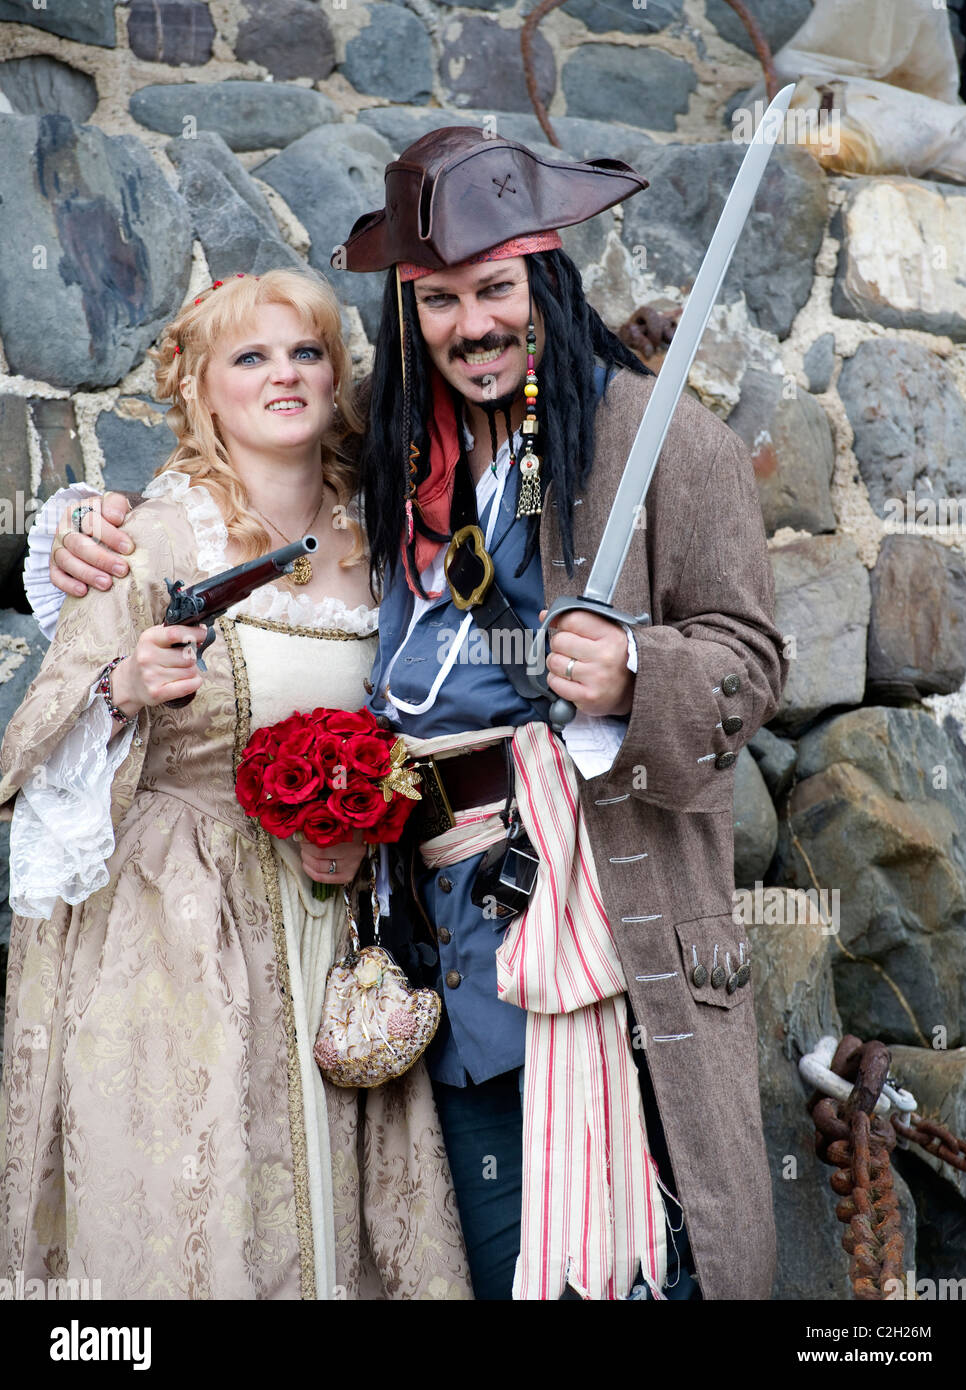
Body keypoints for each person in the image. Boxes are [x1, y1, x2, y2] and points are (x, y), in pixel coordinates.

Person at [34, 129, 788, 1301]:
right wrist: (91, 518)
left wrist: (642, 671)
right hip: (437, 925)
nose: (471, 325)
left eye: (493, 291)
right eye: (437, 301)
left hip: (601, 908)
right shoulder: (394, 460)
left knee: (646, 1265)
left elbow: (750, 661)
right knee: (496, 1261)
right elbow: (243, 466)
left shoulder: (665, 442)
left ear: (542, 285)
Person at [0, 267, 471, 1300]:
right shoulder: (146, 540)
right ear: (201, 388)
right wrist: (122, 689)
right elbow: (34, 753)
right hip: (180, 931)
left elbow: (420, 729)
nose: (284, 376)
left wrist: (367, 823)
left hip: (331, 921)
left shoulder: (380, 541)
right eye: (250, 357)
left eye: (306, 353)